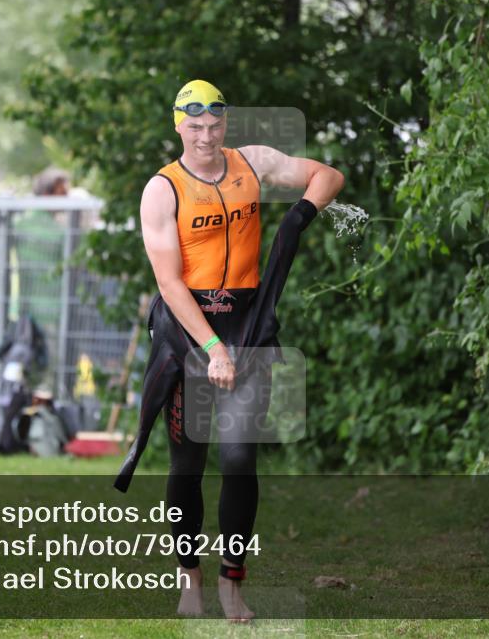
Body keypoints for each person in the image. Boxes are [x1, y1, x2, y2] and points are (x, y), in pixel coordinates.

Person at [115, 80, 344, 621]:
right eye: (194, 125)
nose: (205, 135)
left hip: (248, 331)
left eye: (214, 124)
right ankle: (189, 577)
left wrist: (297, 216)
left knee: (240, 460)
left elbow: (327, 176)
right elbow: (169, 283)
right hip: (187, 338)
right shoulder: (162, 189)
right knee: (187, 465)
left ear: (226, 123)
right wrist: (212, 347)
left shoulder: (253, 163)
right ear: (178, 125)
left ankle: (231, 585)